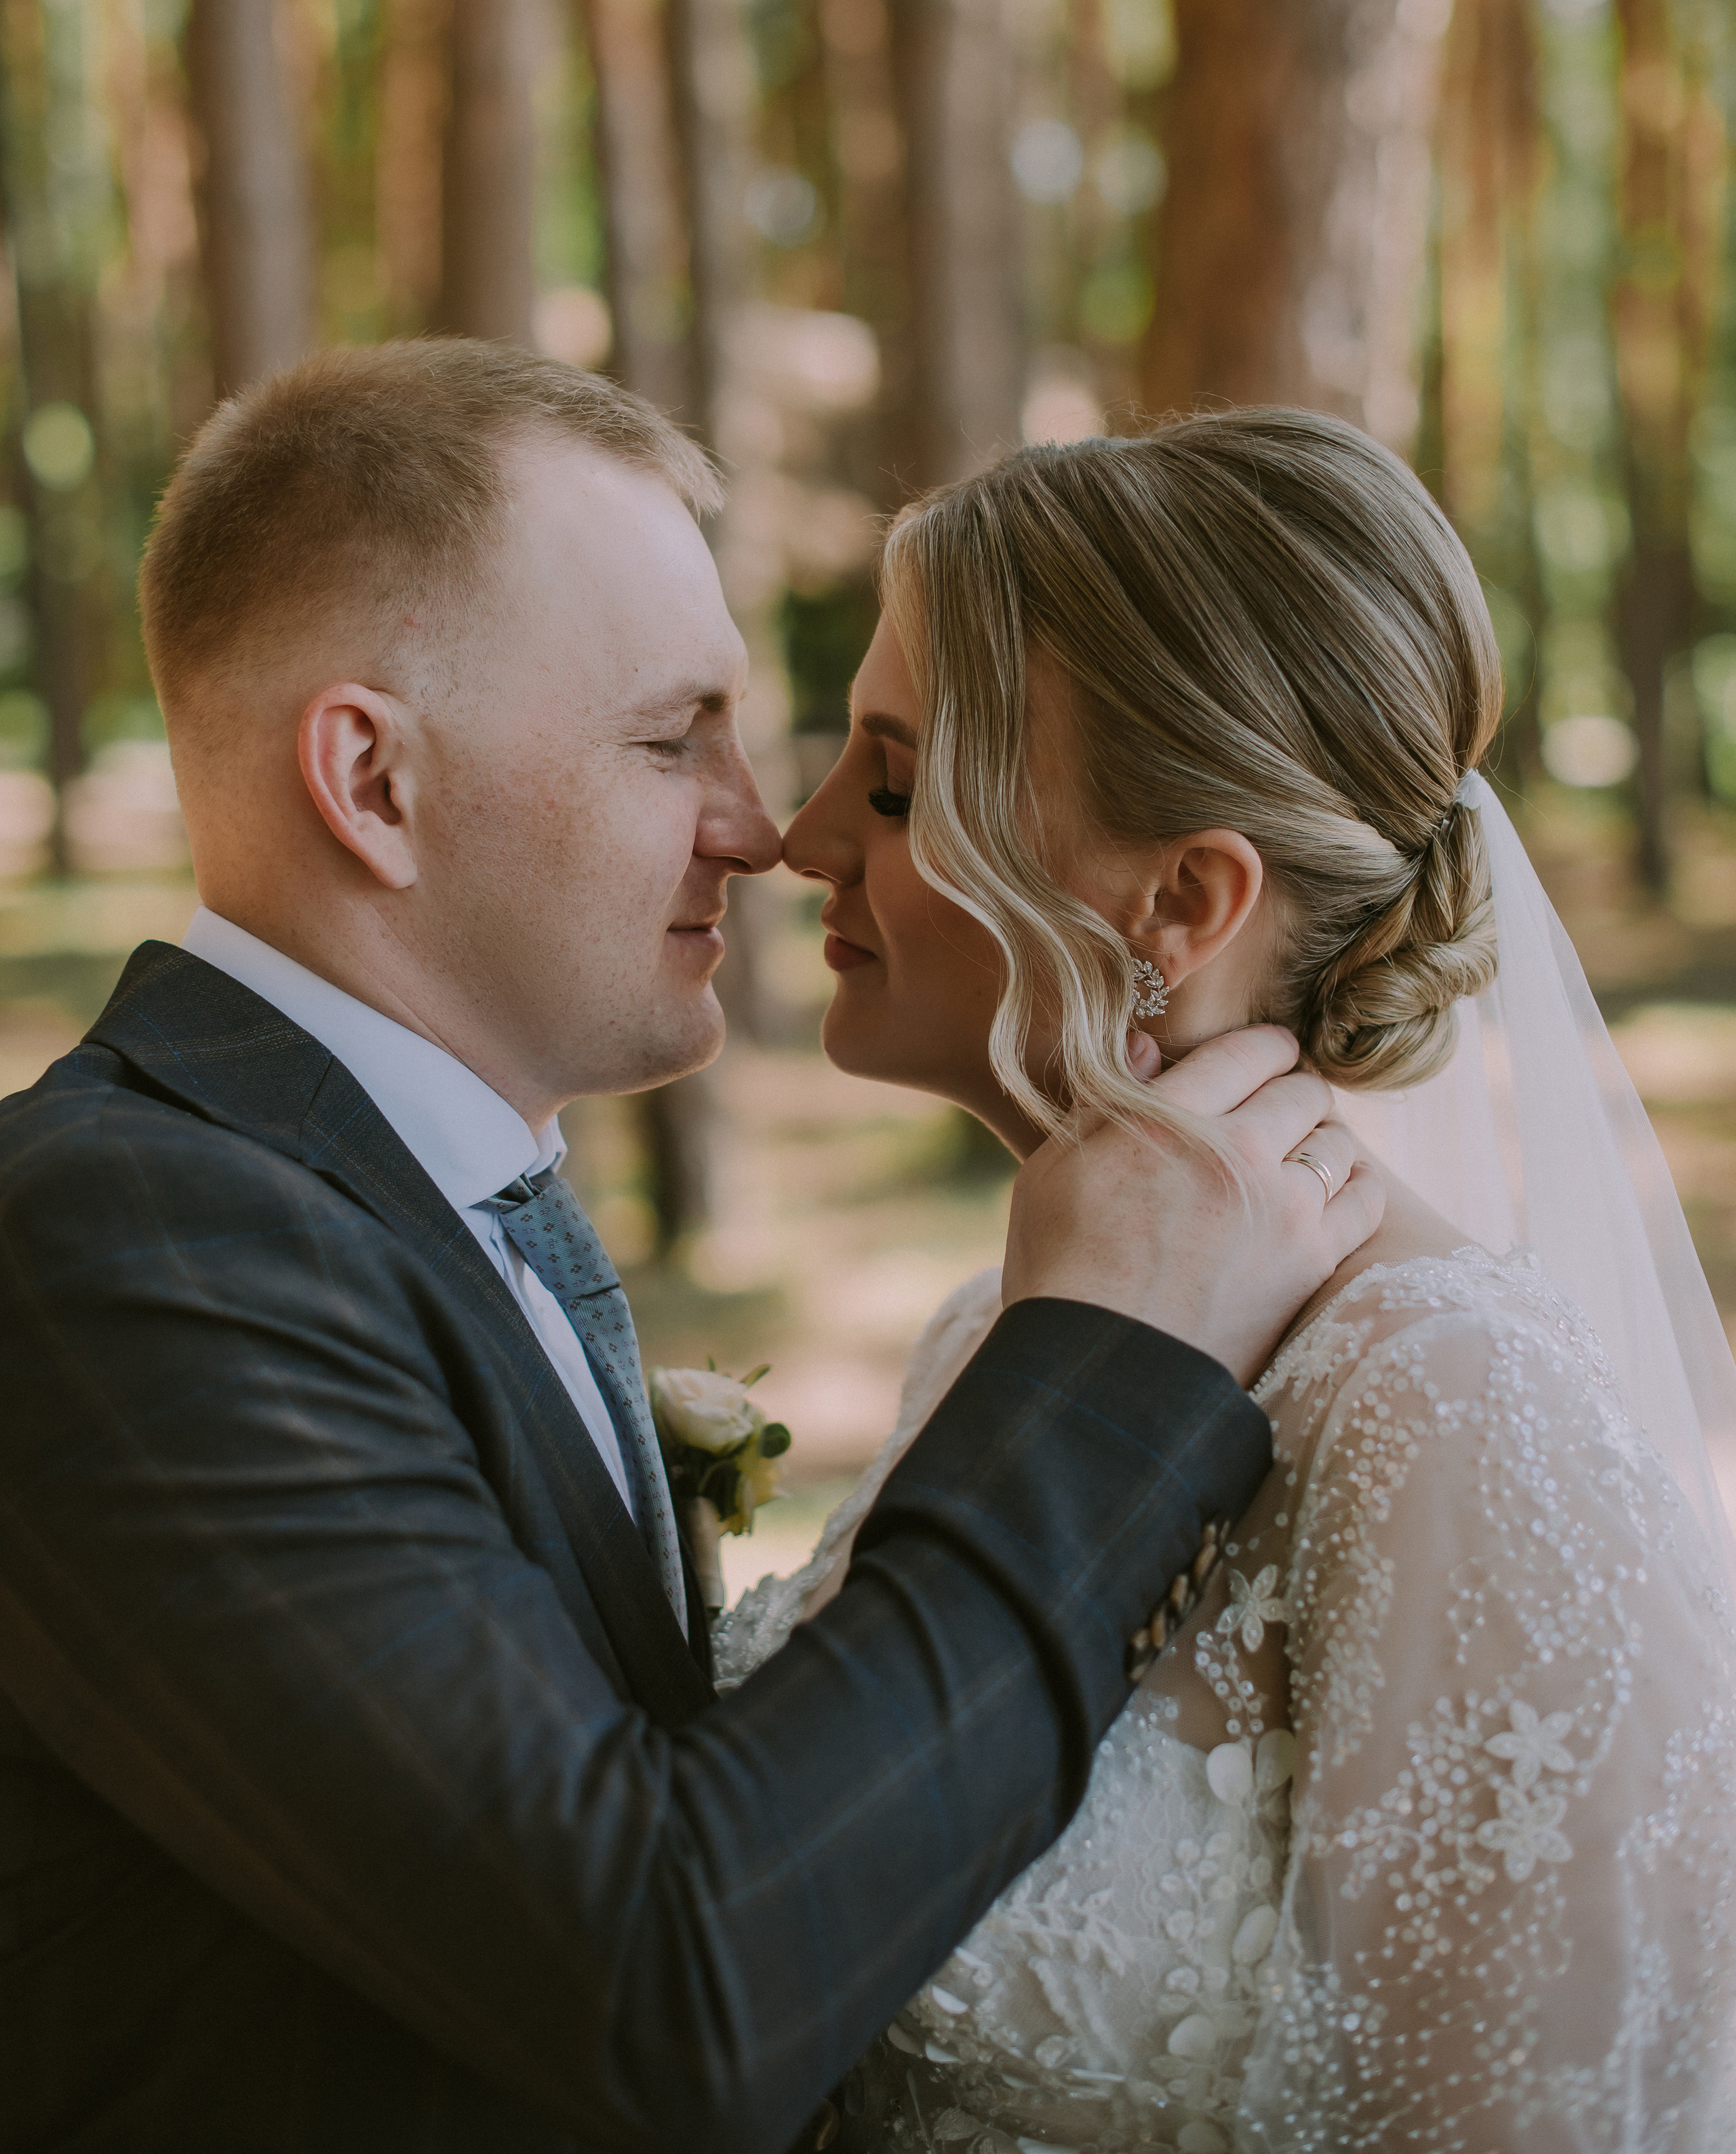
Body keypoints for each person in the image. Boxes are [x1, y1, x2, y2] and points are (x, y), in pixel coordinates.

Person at [0, 342, 1380, 2154]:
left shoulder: (411, 1194)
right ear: (372, 780)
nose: (764, 828)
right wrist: (1109, 1358)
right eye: (673, 738)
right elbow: (671, 1980)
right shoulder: (129, 1243)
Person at [758, 408, 1736, 2152]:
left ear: (1180, 902)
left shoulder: (1450, 1413)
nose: (800, 834)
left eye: (896, 785)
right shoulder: (988, 1344)